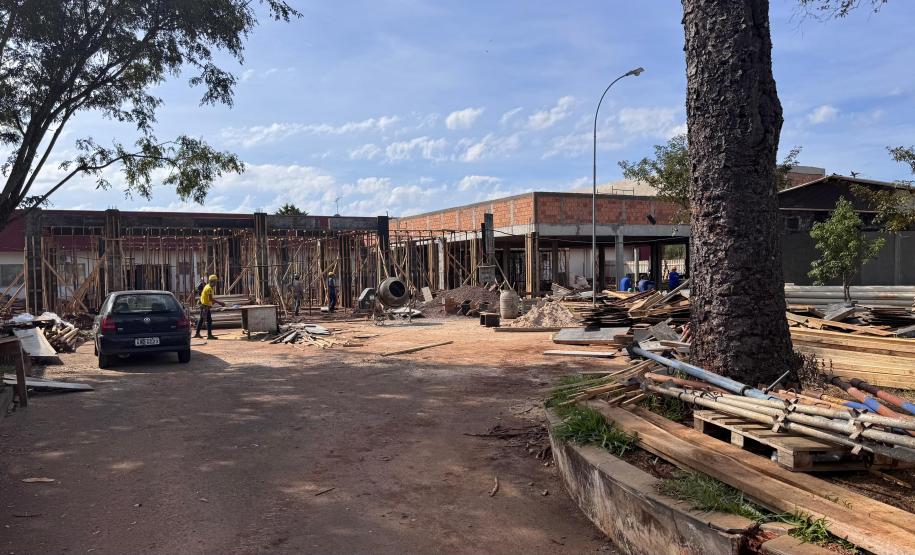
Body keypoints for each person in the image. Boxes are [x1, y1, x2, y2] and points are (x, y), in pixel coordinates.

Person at [194, 274, 226, 339]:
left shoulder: (207, 286)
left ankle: (198, 333)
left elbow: (208, 298)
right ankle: (209, 335)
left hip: (204, 306)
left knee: (202, 320)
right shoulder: (209, 288)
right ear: (212, 281)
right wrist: (220, 303)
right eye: (215, 282)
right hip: (205, 307)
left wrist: (212, 303)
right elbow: (210, 299)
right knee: (208, 320)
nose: (216, 283)